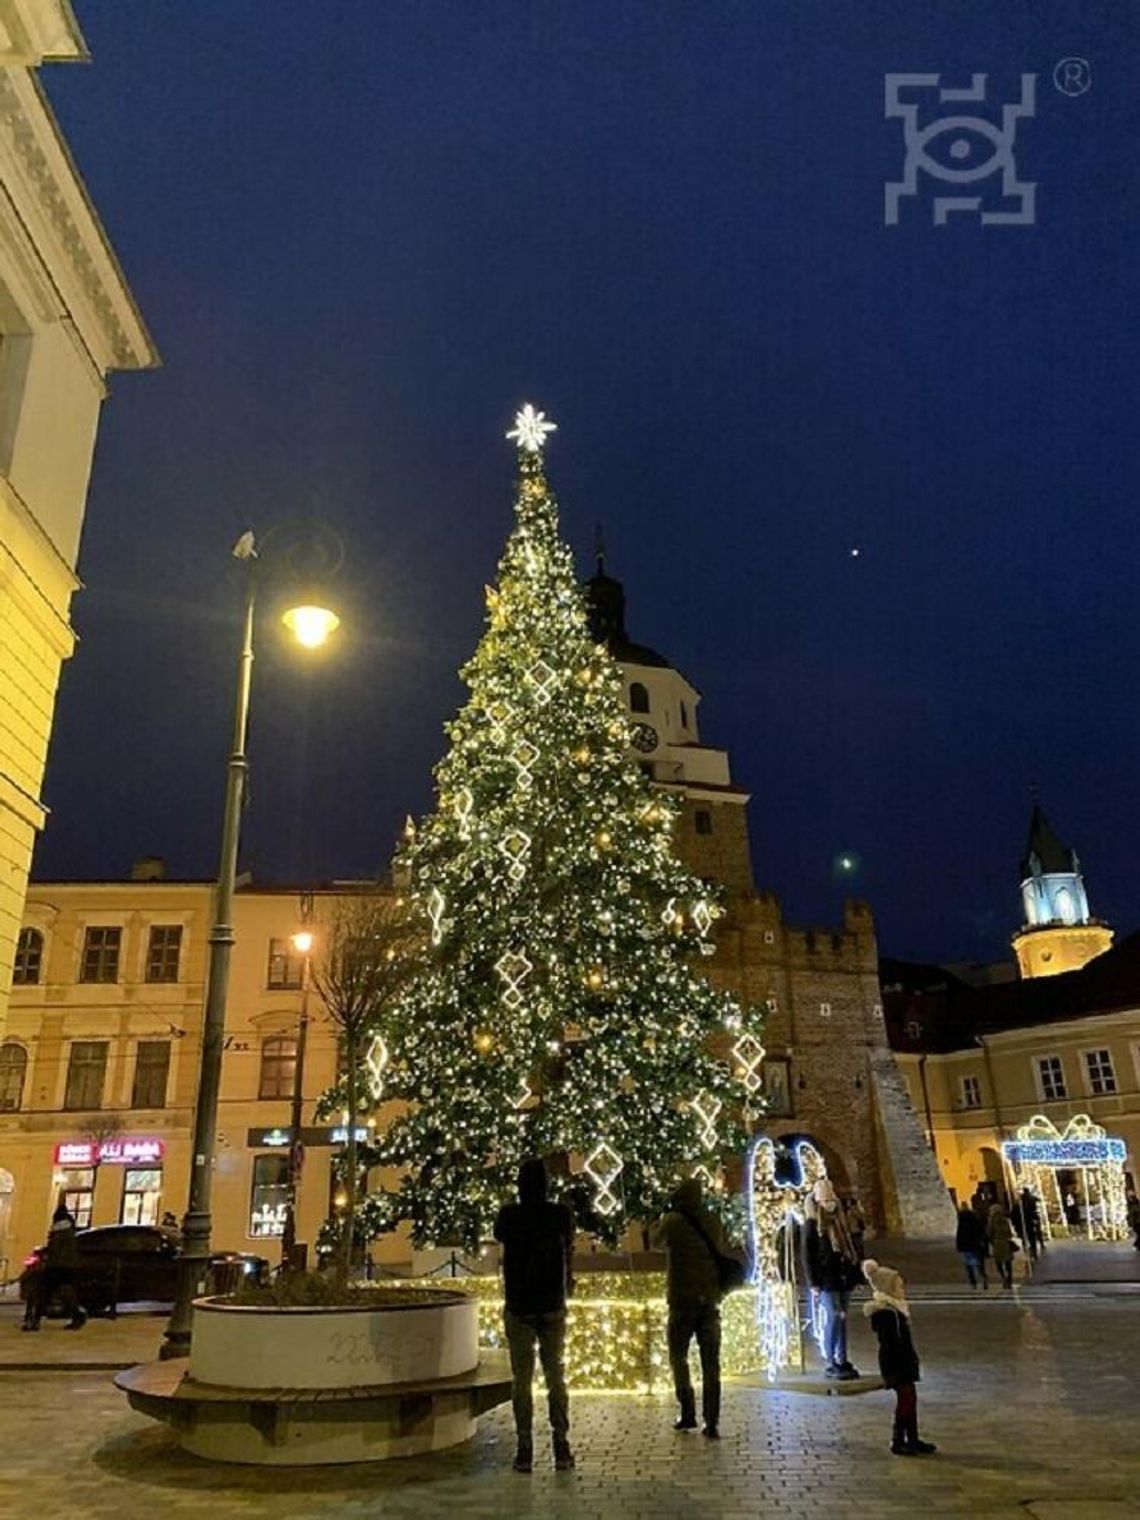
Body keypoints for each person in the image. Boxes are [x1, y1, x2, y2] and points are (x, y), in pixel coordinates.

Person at [493, 1157, 575, 1473]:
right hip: (552, 1304)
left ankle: (524, 1447)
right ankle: (561, 1443)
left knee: (522, 1380)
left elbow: (500, 1235)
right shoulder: (558, 1215)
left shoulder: (509, 1216)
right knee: (556, 1376)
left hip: (519, 1305)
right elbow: (568, 1241)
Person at [653, 1176, 741, 1439]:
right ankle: (711, 1421)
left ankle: (688, 1410)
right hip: (710, 1300)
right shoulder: (712, 1220)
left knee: (678, 1357)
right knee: (711, 1365)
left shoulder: (672, 1221)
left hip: (681, 1301)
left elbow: (657, 1241)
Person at [862, 1258, 936, 1456]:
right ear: (888, 1288)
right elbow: (892, 1343)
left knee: (910, 1399)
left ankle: (912, 1438)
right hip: (896, 1362)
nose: (902, 1289)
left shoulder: (896, 1310)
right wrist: (905, 1362)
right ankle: (898, 1440)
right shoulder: (887, 1313)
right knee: (906, 1400)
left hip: (903, 1361)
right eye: (898, 1286)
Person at [802, 1178, 863, 1379]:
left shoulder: (842, 1216)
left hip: (844, 1272)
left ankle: (842, 1358)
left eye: (829, 1191)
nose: (827, 1195)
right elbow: (807, 1254)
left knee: (842, 1317)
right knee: (834, 1314)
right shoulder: (812, 1222)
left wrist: (857, 1272)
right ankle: (831, 1359)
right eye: (822, 1192)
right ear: (816, 1196)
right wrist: (813, 1282)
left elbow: (853, 1243)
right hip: (826, 1276)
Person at [27, 1203, 86, 1331]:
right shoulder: (70, 1231)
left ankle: (35, 1320)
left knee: (44, 1292)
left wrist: (44, 1253)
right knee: (65, 1292)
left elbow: (54, 1250)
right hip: (68, 1266)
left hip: (56, 1266)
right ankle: (77, 1315)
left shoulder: (58, 1232)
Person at [955, 1204, 988, 1289]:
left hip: (966, 1246)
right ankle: (983, 1278)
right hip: (976, 1245)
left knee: (969, 1265)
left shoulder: (961, 1222)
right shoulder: (975, 1220)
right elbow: (981, 1232)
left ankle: (973, 1283)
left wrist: (959, 1247)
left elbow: (959, 1235)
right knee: (979, 1264)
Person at [988, 1202, 1015, 1289]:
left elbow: (989, 1233)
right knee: (1008, 1262)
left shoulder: (991, 1221)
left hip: (997, 1243)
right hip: (1005, 1243)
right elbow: (1009, 1233)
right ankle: (1009, 1278)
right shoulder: (1005, 1220)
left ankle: (1004, 1277)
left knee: (998, 1262)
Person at [1020, 1189, 1044, 1257]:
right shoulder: (1031, 1197)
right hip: (1033, 1216)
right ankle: (1039, 1245)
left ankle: (1030, 1249)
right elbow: (1038, 1200)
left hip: (1026, 1218)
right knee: (1037, 1231)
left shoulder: (1022, 1199)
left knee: (1029, 1235)